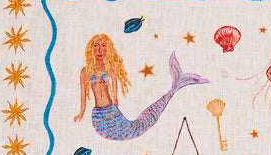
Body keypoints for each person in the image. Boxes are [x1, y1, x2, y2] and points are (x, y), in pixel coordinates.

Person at [74, 34, 208, 140]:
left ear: (108, 50)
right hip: (98, 117)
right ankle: (177, 85)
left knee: (135, 129)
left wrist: (116, 110)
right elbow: (83, 94)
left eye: (103, 46)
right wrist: (81, 112)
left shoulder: (110, 69)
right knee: (133, 129)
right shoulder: (85, 72)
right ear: (91, 48)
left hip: (112, 113)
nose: (99, 50)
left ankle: (175, 87)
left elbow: (115, 95)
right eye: (96, 45)